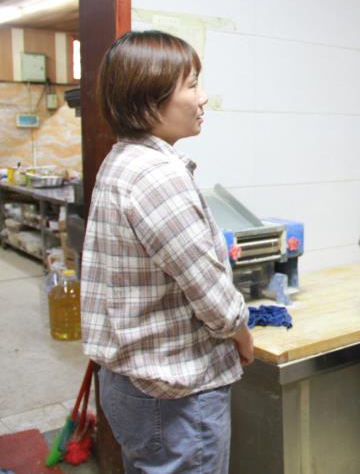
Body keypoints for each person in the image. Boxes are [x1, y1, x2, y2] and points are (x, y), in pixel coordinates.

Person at [81, 30, 254, 473]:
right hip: (175, 391)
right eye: (192, 85)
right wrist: (242, 333)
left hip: (133, 381)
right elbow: (212, 295)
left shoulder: (122, 160)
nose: (203, 97)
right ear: (149, 100)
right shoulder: (158, 176)